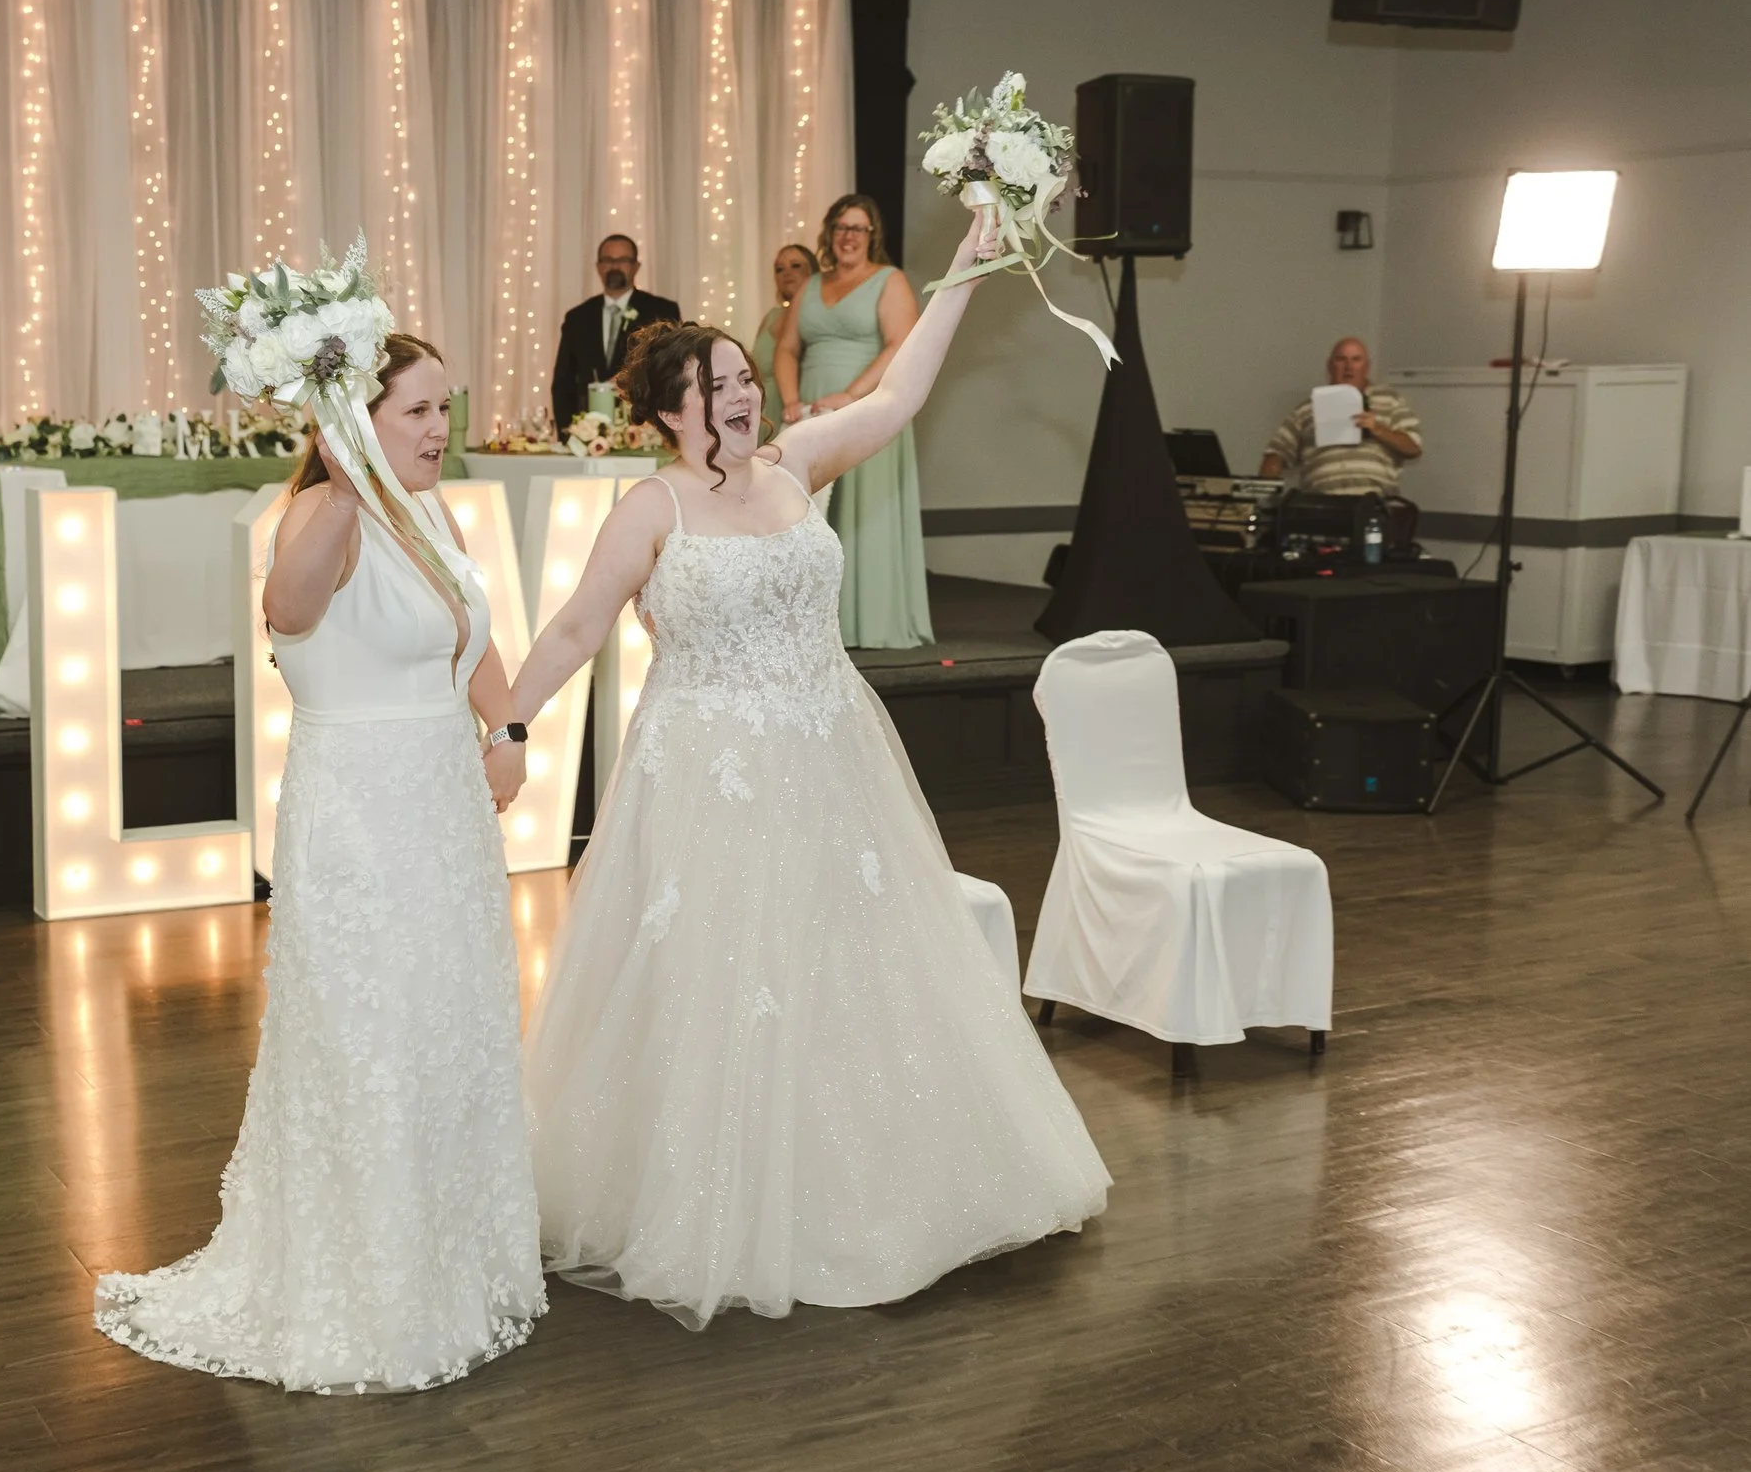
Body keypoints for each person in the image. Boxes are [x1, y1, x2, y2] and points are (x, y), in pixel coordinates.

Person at [503, 207, 1110, 1331]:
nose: (744, 392)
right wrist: (503, 723)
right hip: (707, 775)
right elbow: (576, 629)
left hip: (828, 752)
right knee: (721, 979)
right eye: (722, 381)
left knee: (850, 965)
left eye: (745, 373)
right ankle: (716, 1200)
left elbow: (899, 394)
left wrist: (963, 276)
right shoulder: (652, 506)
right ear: (672, 408)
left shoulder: (794, 461)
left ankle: (878, 1183)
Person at [95, 334, 545, 1392]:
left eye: (446, 406)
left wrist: (510, 728)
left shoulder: (431, 510)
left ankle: (454, 1256)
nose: (442, 429)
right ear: (353, 423)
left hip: (444, 811)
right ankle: (373, 1289)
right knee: (368, 1037)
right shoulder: (317, 516)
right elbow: (289, 612)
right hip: (359, 813)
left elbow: (471, 637)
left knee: (448, 1024)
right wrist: (343, 481)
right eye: (417, 412)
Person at [776, 193, 932, 649]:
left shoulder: (889, 280)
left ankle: (867, 622)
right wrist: (790, 399)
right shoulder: (811, 286)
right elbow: (786, 348)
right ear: (829, 233)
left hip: (867, 408)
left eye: (858, 229)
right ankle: (813, 626)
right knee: (810, 519)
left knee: (864, 512)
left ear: (871, 235)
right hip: (813, 415)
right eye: (841, 227)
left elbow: (900, 344)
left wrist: (850, 395)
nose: (848, 237)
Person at [549, 233, 680, 439]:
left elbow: (670, 372)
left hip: (641, 431)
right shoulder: (577, 317)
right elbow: (563, 383)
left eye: (623, 260)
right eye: (608, 260)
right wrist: (570, 436)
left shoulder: (662, 311)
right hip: (587, 435)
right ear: (598, 266)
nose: (614, 266)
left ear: (636, 266)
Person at [1259, 337, 1423, 496]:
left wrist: (1377, 429)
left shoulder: (1390, 400)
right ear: (1330, 366)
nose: (1348, 366)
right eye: (1341, 359)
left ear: (1366, 367)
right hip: (1320, 505)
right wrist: (1261, 497)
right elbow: (1277, 453)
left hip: (1374, 502)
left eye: (1356, 360)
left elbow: (1413, 447)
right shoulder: (1306, 409)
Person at [751, 243, 817, 433]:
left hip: (802, 413)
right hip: (764, 418)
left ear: (813, 271)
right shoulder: (771, 316)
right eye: (779, 269)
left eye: (796, 266)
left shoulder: (819, 320)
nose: (787, 273)